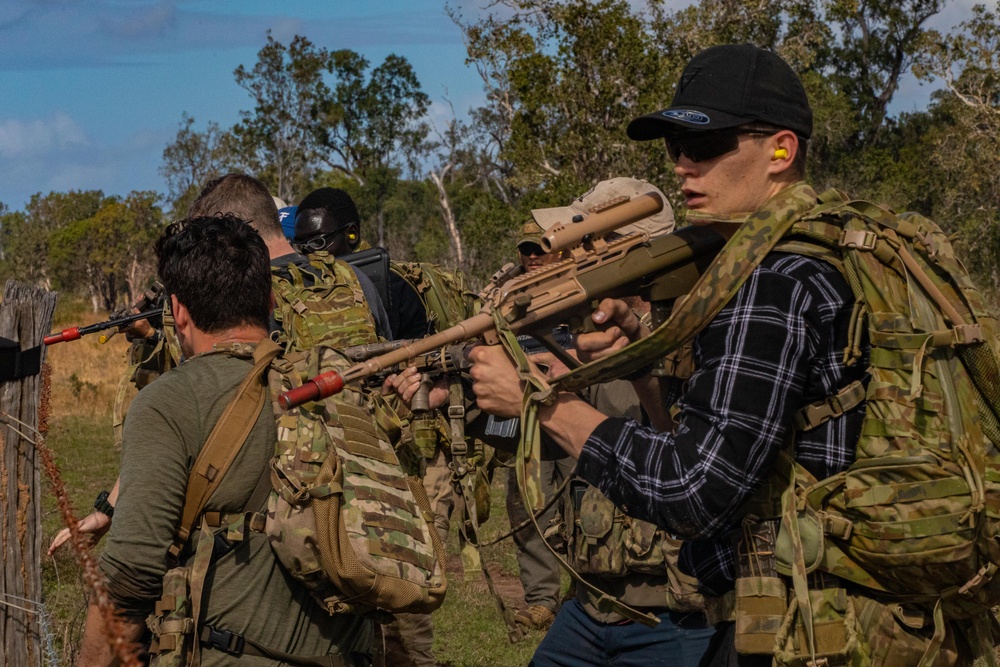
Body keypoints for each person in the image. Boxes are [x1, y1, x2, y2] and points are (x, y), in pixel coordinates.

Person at [466, 43, 881, 666]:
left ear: (781, 150)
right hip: (817, 606)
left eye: (707, 145)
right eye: (675, 149)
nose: (685, 167)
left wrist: (544, 405)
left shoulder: (774, 280)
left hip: (801, 622)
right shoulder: (836, 246)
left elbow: (693, 489)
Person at [76, 215, 375, 666]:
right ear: (272, 299)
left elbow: (131, 574)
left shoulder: (168, 402)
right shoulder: (335, 384)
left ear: (178, 312)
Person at [504, 219, 576, 632]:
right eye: (526, 249)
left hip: (574, 406)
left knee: (584, 502)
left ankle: (585, 587)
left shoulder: (580, 282)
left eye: (541, 247)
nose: (533, 256)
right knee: (528, 505)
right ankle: (541, 598)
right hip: (526, 411)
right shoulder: (510, 292)